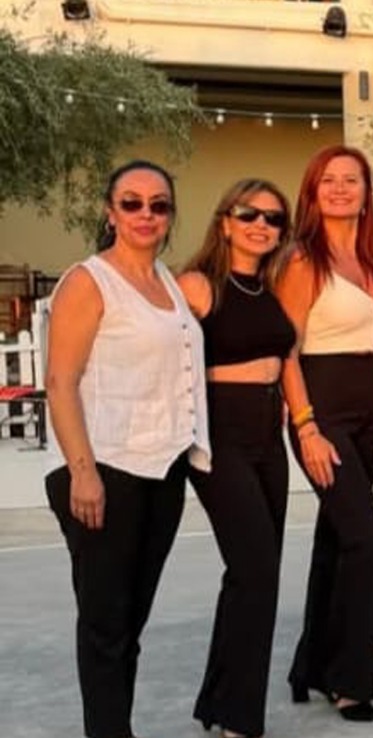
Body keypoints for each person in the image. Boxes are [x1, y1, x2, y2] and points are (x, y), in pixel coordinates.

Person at [45, 160, 210, 738]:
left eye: (158, 205)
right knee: (105, 625)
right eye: (132, 203)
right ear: (110, 212)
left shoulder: (167, 281)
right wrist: (82, 472)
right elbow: (60, 381)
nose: (146, 214)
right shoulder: (89, 281)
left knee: (130, 621)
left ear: (170, 215)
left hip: (162, 469)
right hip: (104, 469)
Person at [277, 145, 373, 722]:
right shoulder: (303, 260)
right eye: (328, 179)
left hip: (370, 404)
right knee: (365, 534)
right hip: (322, 407)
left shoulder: (372, 263)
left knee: (337, 536)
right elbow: (287, 351)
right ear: (312, 191)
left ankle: (310, 663)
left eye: (352, 179)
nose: (340, 188)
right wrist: (305, 426)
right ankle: (350, 678)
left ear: (366, 194)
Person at [177, 178, 297, 738]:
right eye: (250, 214)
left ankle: (218, 702)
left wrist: (305, 423)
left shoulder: (270, 287)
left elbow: (288, 359)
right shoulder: (198, 285)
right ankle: (239, 719)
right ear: (225, 221)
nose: (261, 226)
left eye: (274, 219)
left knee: (251, 573)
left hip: (269, 436)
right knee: (256, 571)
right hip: (221, 434)